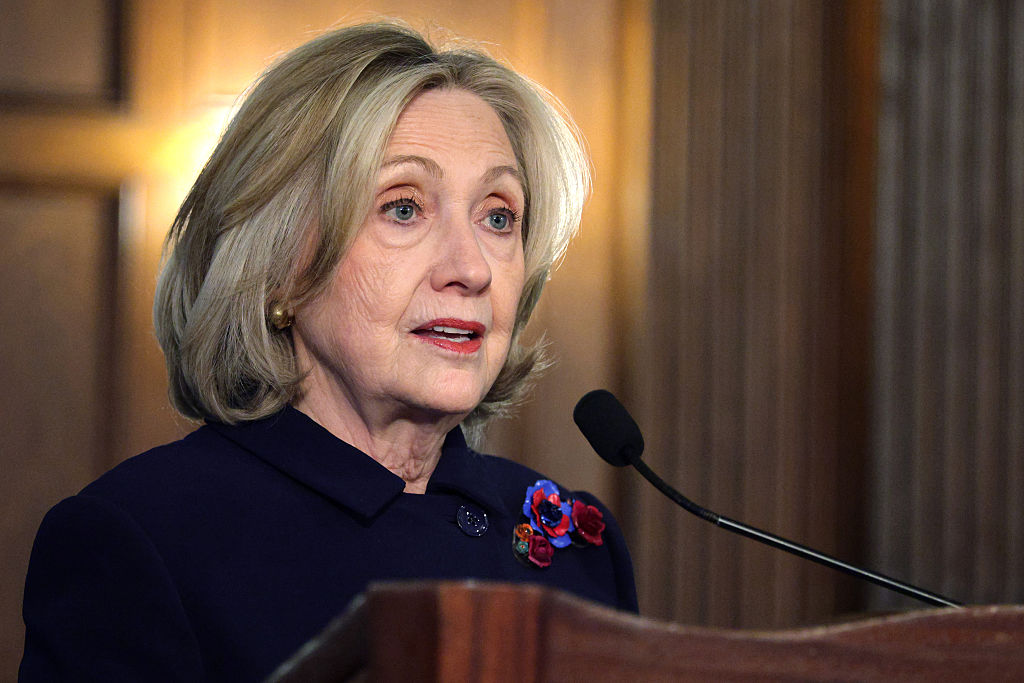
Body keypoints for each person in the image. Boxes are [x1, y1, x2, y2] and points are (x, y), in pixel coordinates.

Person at [20, 21, 637, 682]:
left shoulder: (575, 543)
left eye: (497, 216)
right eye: (404, 208)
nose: (472, 268)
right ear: (280, 263)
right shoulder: (143, 537)